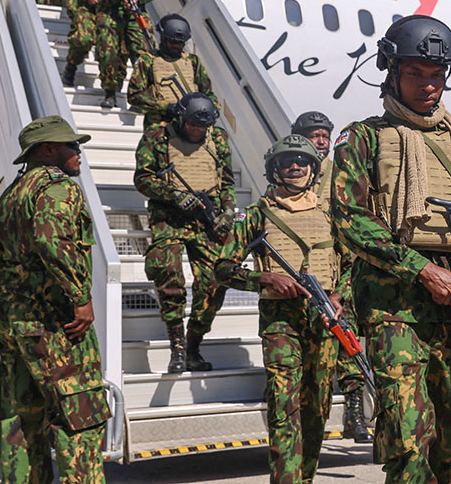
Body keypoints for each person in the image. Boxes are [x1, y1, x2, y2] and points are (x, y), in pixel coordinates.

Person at [331, 14, 451, 483]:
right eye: (415, 74)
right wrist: (420, 269)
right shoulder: (362, 138)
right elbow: (350, 219)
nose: (428, 86)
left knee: (447, 445)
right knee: (409, 441)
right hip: (396, 309)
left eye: (436, 76)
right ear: (390, 72)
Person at [214, 134, 343, 483]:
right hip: (281, 322)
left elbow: (351, 263)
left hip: (325, 320)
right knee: (285, 410)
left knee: (317, 410)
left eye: (302, 161)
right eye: (287, 161)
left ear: (314, 169)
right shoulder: (256, 215)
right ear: (274, 169)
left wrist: (339, 296)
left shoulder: (331, 212)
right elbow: (223, 269)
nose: (295, 167)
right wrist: (266, 279)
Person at [0, 115, 109, 482]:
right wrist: (80, 296)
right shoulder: (56, 187)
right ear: (48, 150)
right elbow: (52, 241)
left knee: (21, 420)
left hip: (16, 322)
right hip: (55, 324)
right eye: (72, 146)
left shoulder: (12, 193)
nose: (79, 152)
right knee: (81, 417)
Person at [134, 92, 235, 373]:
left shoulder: (217, 140)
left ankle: (193, 345)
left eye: (202, 128)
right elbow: (142, 178)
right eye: (192, 126)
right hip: (170, 217)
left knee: (216, 279)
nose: (197, 132)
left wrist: (228, 211)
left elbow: (226, 181)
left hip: (206, 218)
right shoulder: (157, 137)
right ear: (180, 118)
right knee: (168, 271)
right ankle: (176, 346)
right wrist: (173, 194)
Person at [290, 110, 373, 443]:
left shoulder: (340, 170)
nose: (321, 141)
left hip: (337, 267)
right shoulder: (290, 172)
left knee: (347, 340)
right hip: (302, 270)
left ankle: (354, 415)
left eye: (325, 136)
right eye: (315, 135)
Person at [127, 13, 217, 128]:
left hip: (192, 125)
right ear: (163, 38)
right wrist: (167, 107)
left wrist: (213, 108)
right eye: (172, 42)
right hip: (161, 125)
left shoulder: (193, 61)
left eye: (180, 43)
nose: (176, 46)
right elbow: (134, 96)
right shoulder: (148, 61)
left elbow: (208, 94)